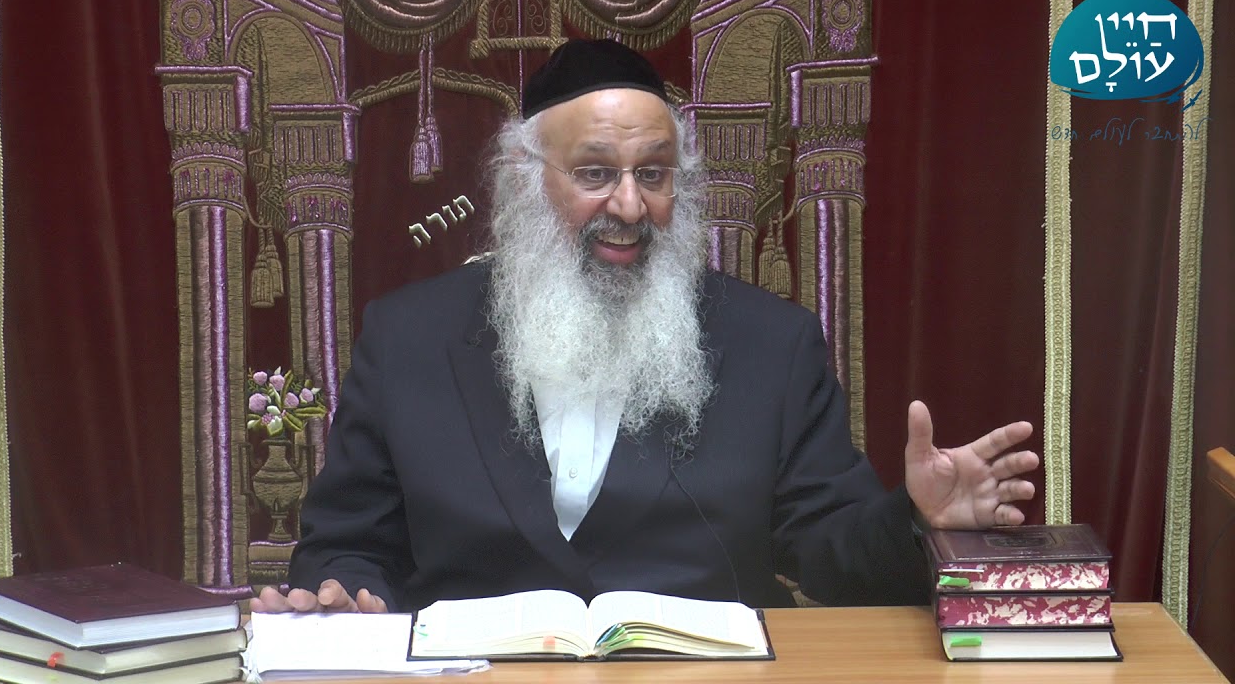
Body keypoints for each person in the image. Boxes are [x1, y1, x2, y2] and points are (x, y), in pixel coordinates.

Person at [251, 39, 1039, 616]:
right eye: (595, 173)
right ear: (527, 184)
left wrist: (916, 519)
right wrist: (344, 594)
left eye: (652, 174)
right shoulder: (408, 338)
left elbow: (836, 556)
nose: (629, 206)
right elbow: (347, 544)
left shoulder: (772, 344)